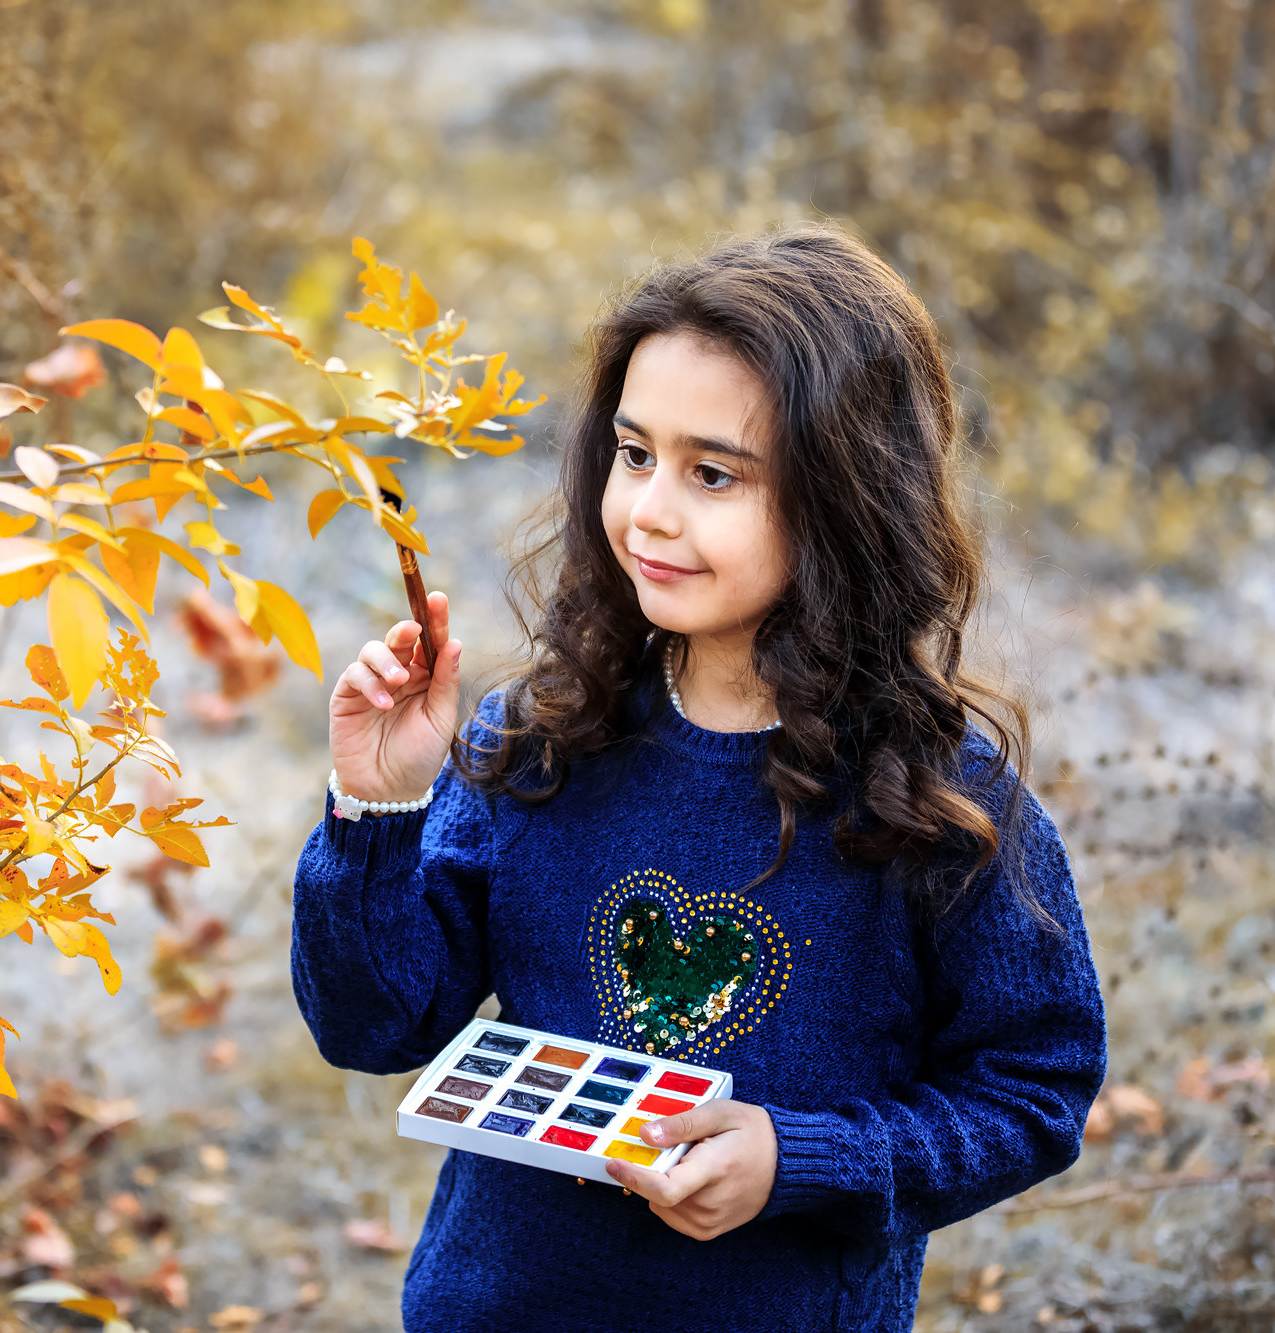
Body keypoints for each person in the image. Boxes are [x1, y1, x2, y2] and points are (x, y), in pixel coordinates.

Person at [290, 225, 1107, 1332]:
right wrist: (376, 806)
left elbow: (1032, 1088)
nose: (648, 512)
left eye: (711, 472)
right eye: (633, 455)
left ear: (845, 495)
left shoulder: (942, 803)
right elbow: (376, 1026)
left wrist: (799, 1159)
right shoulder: (538, 739)